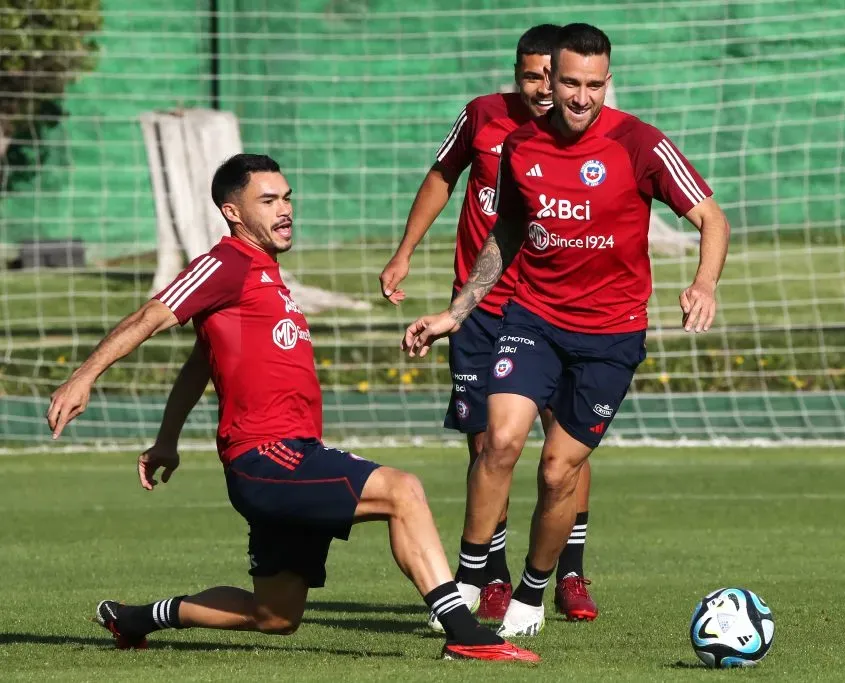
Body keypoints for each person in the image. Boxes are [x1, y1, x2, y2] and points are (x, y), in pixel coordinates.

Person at [46, 154, 538, 663]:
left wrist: (168, 438)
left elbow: (201, 362)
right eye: (268, 200)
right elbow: (152, 314)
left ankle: (134, 619)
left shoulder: (264, 275)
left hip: (291, 452)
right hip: (265, 457)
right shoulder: (225, 263)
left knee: (276, 615)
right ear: (233, 212)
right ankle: (463, 631)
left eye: (287, 198)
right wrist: (83, 377)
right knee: (402, 490)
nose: (285, 210)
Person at [402, 23, 730, 637]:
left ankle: (533, 589)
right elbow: (506, 232)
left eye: (594, 85)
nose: (581, 97)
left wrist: (704, 284)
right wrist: (461, 308)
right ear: (551, 77)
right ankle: (470, 583)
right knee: (498, 443)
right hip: (533, 319)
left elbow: (712, 216)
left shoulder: (640, 144)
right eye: (570, 83)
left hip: (611, 336)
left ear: (609, 82)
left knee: (557, 471)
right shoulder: (520, 145)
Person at [379, 24, 598, 623]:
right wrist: (404, 252)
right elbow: (441, 178)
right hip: (477, 310)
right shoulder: (482, 117)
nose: (543, 87)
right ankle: (490, 575)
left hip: (549, 310)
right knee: (486, 444)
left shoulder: (585, 136)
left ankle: (570, 570)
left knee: (565, 446)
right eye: (530, 75)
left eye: (551, 76)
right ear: (517, 74)